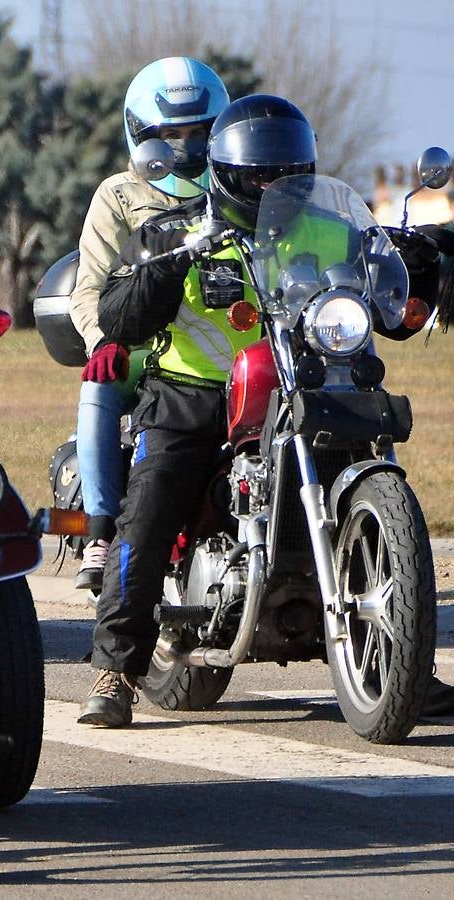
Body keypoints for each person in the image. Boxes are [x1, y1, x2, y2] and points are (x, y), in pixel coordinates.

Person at [79, 94, 446, 727]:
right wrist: (167, 264)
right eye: (259, 175)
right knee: (149, 507)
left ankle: (404, 662)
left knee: (370, 432)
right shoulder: (179, 228)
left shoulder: (331, 228)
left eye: (288, 174)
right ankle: (115, 670)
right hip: (194, 395)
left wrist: (411, 263)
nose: (273, 185)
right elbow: (118, 315)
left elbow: (388, 303)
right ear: (225, 172)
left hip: (305, 381)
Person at [69, 58, 229, 593]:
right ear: (140, 134)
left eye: (199, 132)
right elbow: (87, 290)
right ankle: (99, 526)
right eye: (170, 135)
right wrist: (102, 341)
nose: (185, 147)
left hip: (232, 335)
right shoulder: (119, 194)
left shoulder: (240, 185)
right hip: (145, 339)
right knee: (99, 384)